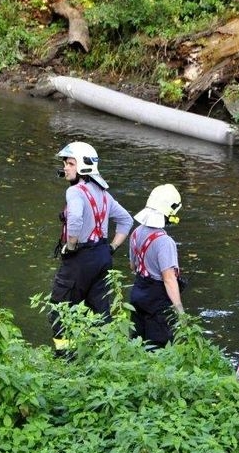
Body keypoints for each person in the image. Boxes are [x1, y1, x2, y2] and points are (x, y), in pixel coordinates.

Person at [49, 141, 133, 355]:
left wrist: (70, 246)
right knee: (99, 311)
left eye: (69, 163)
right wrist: (112, 247)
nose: (65, 168)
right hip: (102, 256)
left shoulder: (75, 192)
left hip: (80, 258)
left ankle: (65, 357)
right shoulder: (104, 194)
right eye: (65, 163)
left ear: (83, 166)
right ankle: (103, 354)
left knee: (60, 308)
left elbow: (75, 219)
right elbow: (126, 220)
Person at [128, 184, 185, 349]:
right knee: (159, 345)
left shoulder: (136, 232)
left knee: (138, 341)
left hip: (138, 293)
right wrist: (180, 310)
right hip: (156, 299)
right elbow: (169, 279)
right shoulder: (165, 242)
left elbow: (133, 266)